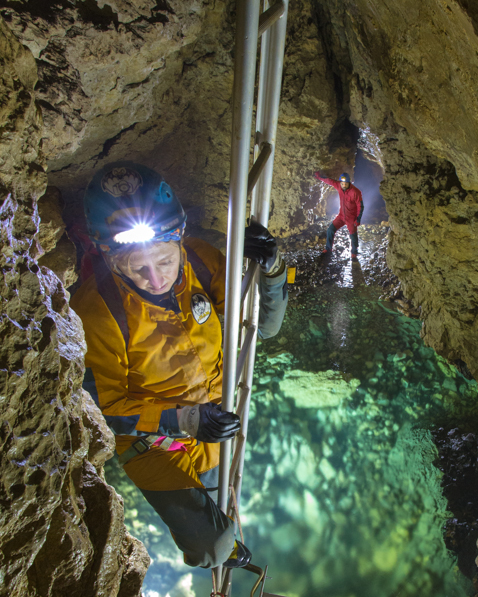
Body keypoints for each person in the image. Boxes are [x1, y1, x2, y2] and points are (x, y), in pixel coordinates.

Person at [71, 161, 288, 570]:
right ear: (113, 261)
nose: (156, 279)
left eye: (165, 261)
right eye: (138, 267)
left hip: (212, 412)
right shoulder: (97, 309)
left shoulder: (201, 263)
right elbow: (103, 410)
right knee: (213, 546)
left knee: (222, 500)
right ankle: (226, 550)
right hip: (152, 441)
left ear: (180, 243)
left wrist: (272, 271)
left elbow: (265, 328)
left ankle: (223, 529)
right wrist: (182, 421)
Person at [315, 171, 364, 260]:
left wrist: (358, 219)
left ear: (349, 182)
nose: (344, 185)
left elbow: (360, 206)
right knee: (330, 230)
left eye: (345, 183)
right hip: (341, 216)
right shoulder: (339, 186)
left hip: (351, 218)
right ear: (340, 183)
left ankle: (354, 252)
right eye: (342, 183)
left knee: (353, 235)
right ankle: (328, 249)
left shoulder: (356, 192)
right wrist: (319, 177)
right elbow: (330, 181)